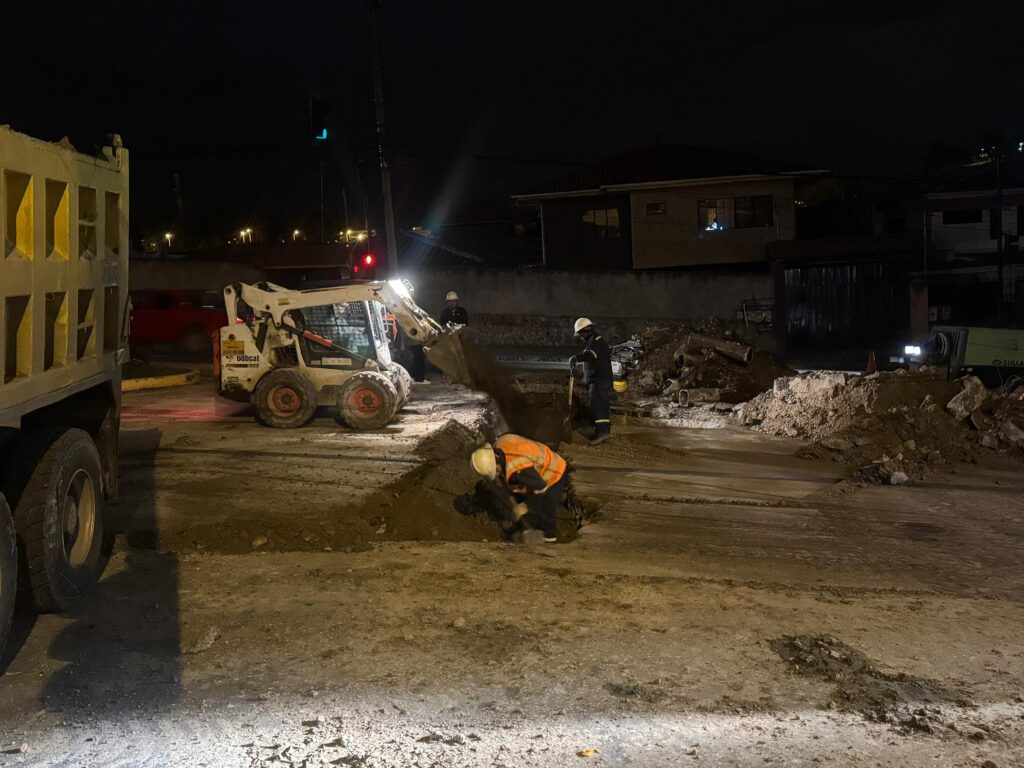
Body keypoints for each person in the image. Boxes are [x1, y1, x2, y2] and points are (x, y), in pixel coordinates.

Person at [470, 434, 569, 543]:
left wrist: (525, 506)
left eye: (495, 471)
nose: (496, 474)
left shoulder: (517, 468)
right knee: (522, 491)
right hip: (538, 462)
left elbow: (541, 488)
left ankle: (549, 538)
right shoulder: (499, 444)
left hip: (553, 472)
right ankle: (529, 523)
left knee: (545, 507)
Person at [569, 317, 612, 445]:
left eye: (580, 334)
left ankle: (602, 432)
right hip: (596, 379)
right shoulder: (591, 341)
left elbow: (590, 355)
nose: (580, 337)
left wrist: (577, 357)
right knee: (596, 404)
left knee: (599, 405)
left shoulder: (596, 341)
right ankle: (599, 430)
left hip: (600, 380)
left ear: (584, 331)